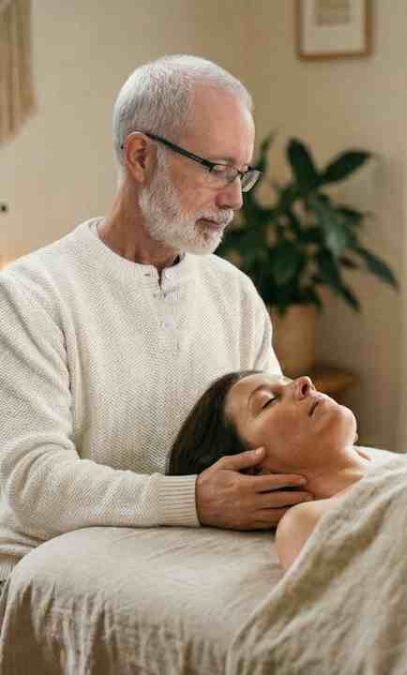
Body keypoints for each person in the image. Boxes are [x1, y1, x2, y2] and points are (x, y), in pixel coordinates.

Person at [0, 55, 312, 583]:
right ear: (140, 156)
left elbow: (275, 448)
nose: (234, 199)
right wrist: (191, 500)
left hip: (191, 566)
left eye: (242, 174)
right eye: (216, 169)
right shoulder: (30, 295)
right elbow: (35, 484)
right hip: (49, 578)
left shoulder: (233, 293)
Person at [168, 370, 368, 569]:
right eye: (268, 401)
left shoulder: (393, 468)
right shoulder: (304, 525)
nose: (305, 381)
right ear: (252, 474)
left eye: (288, 381)